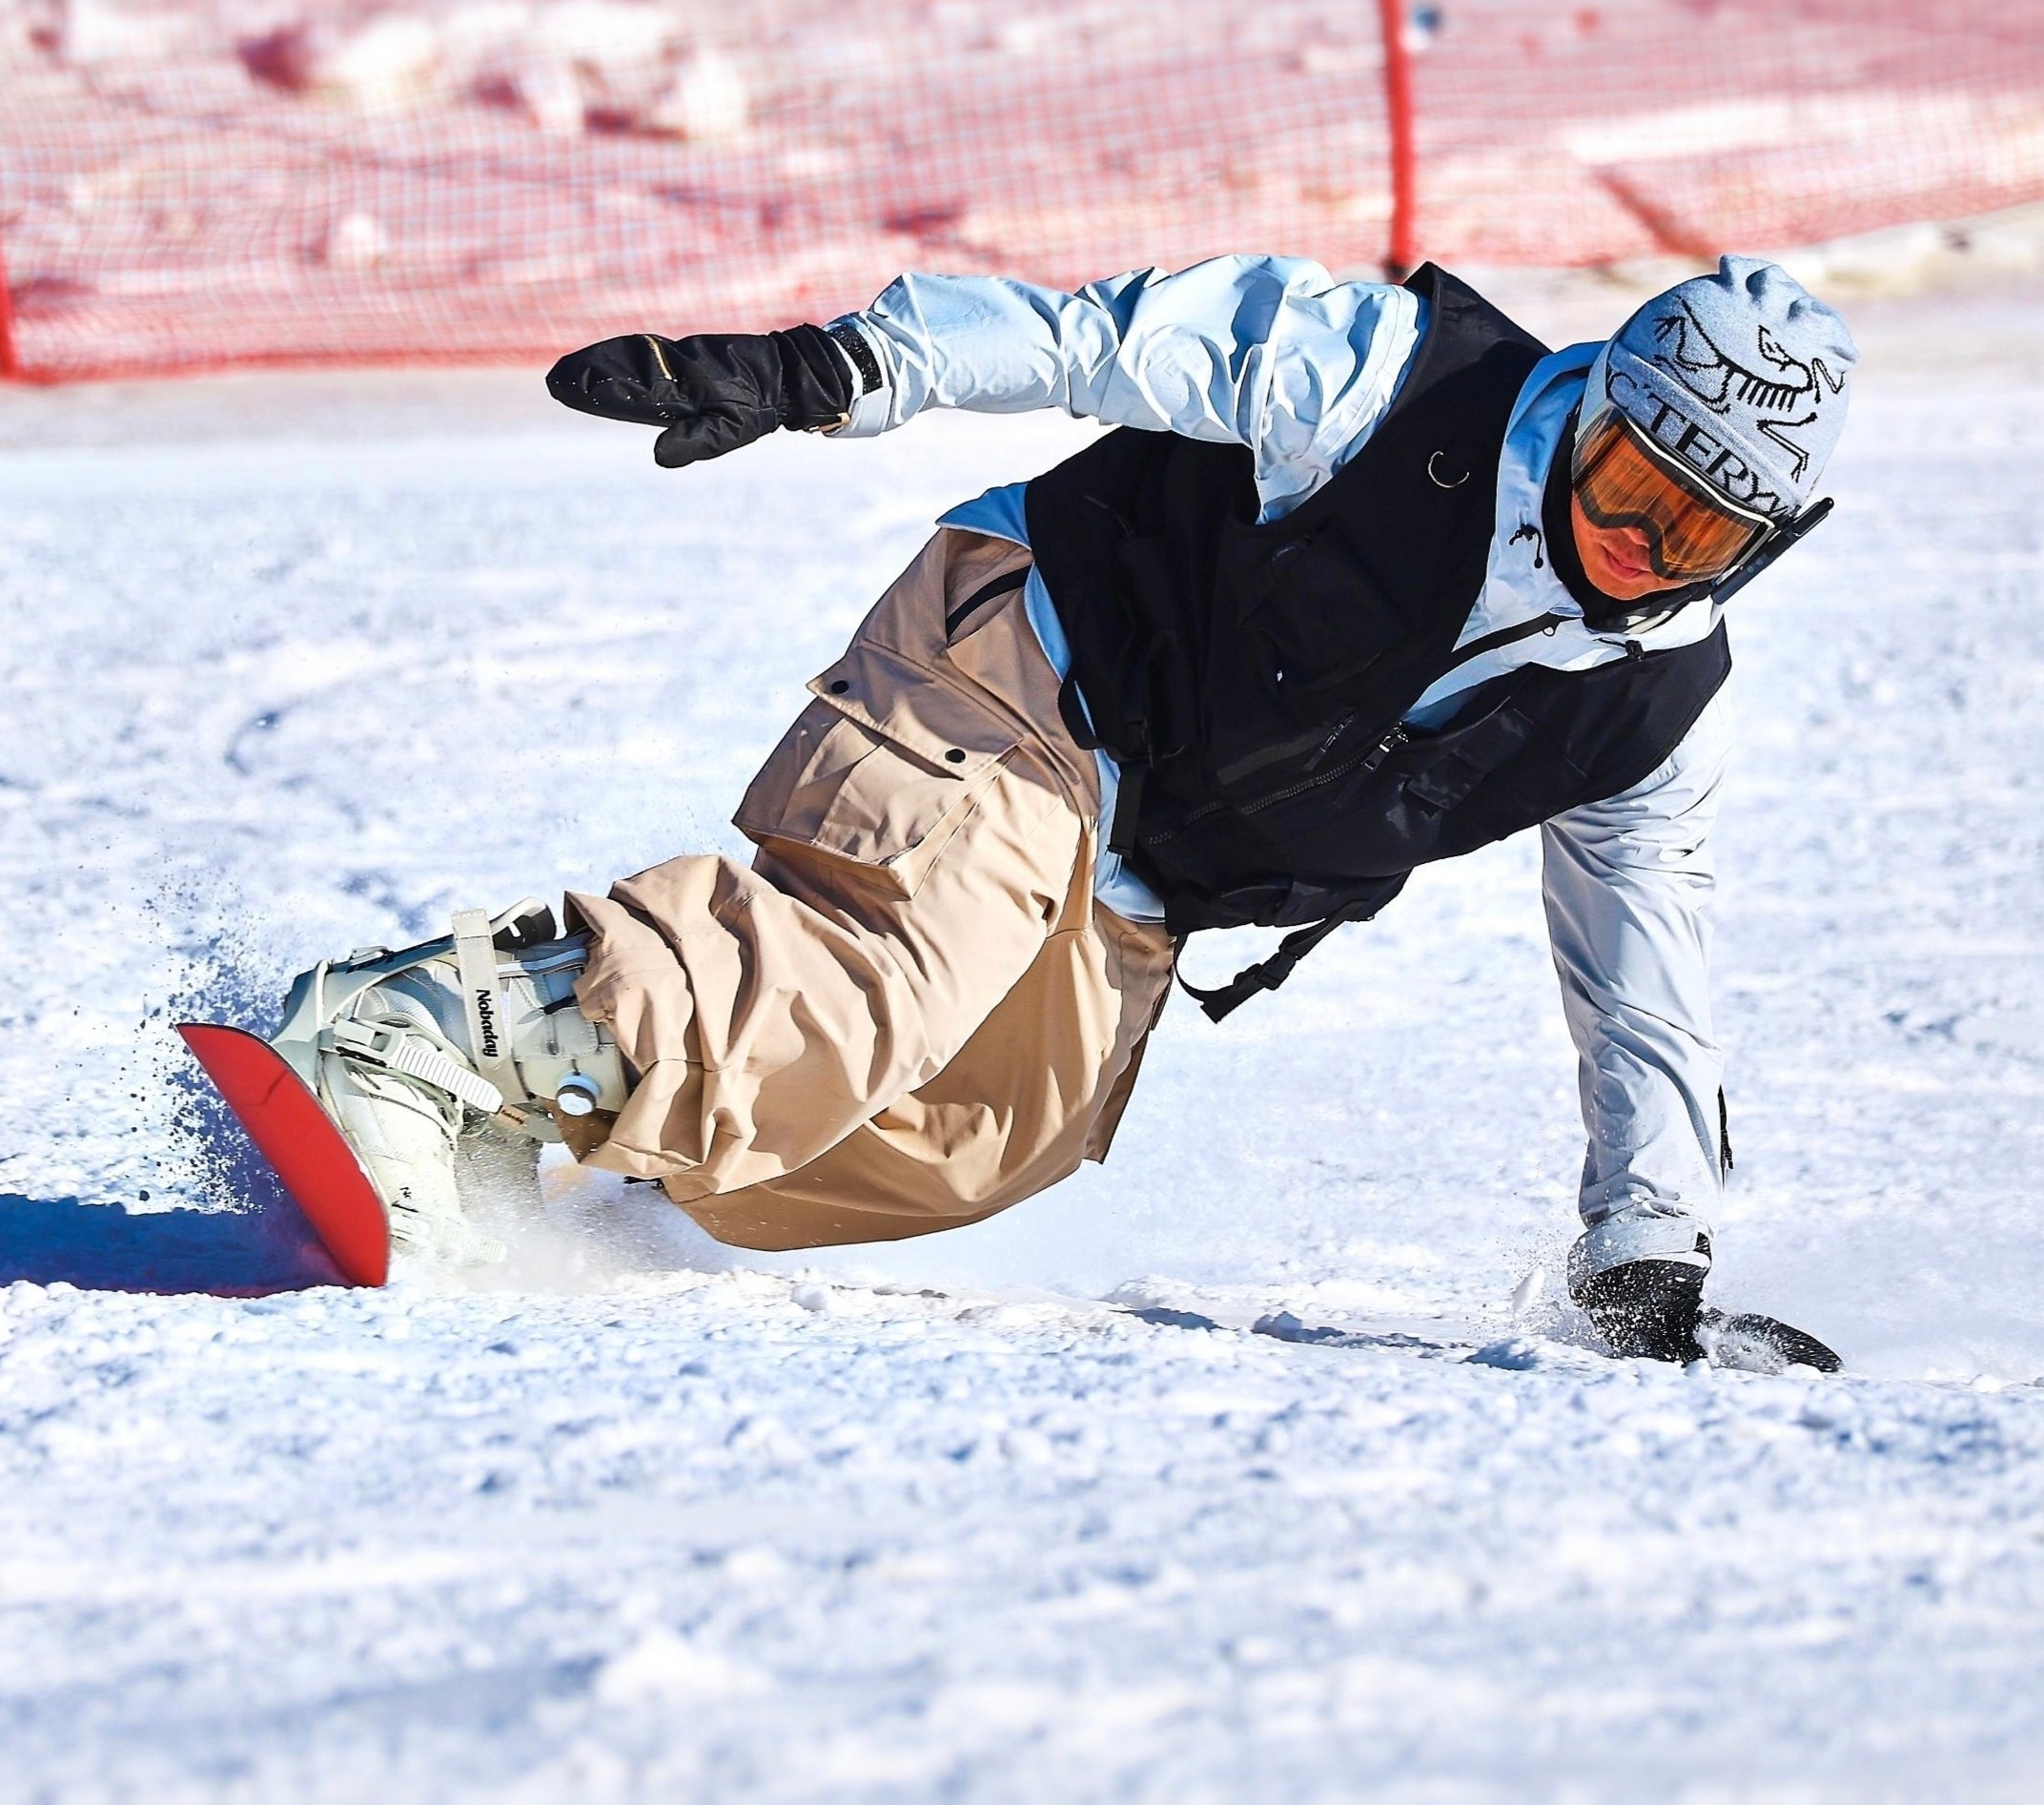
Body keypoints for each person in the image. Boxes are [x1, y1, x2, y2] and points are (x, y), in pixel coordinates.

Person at [268, 253, 1856, 1364]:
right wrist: (841, 369)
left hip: (1150, 864)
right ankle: (416, 1030)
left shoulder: (1646, 718)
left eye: (1703, 532)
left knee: (973, 1147)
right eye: (1633, 485)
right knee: (891, 974)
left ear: (1771, 544)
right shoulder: (1392, 379)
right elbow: (1096, 333)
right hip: (1037, 662)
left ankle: (550, 1117)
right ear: (1595, 408)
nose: (1646, 543)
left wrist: (1649, 1246)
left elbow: (1645, 986)